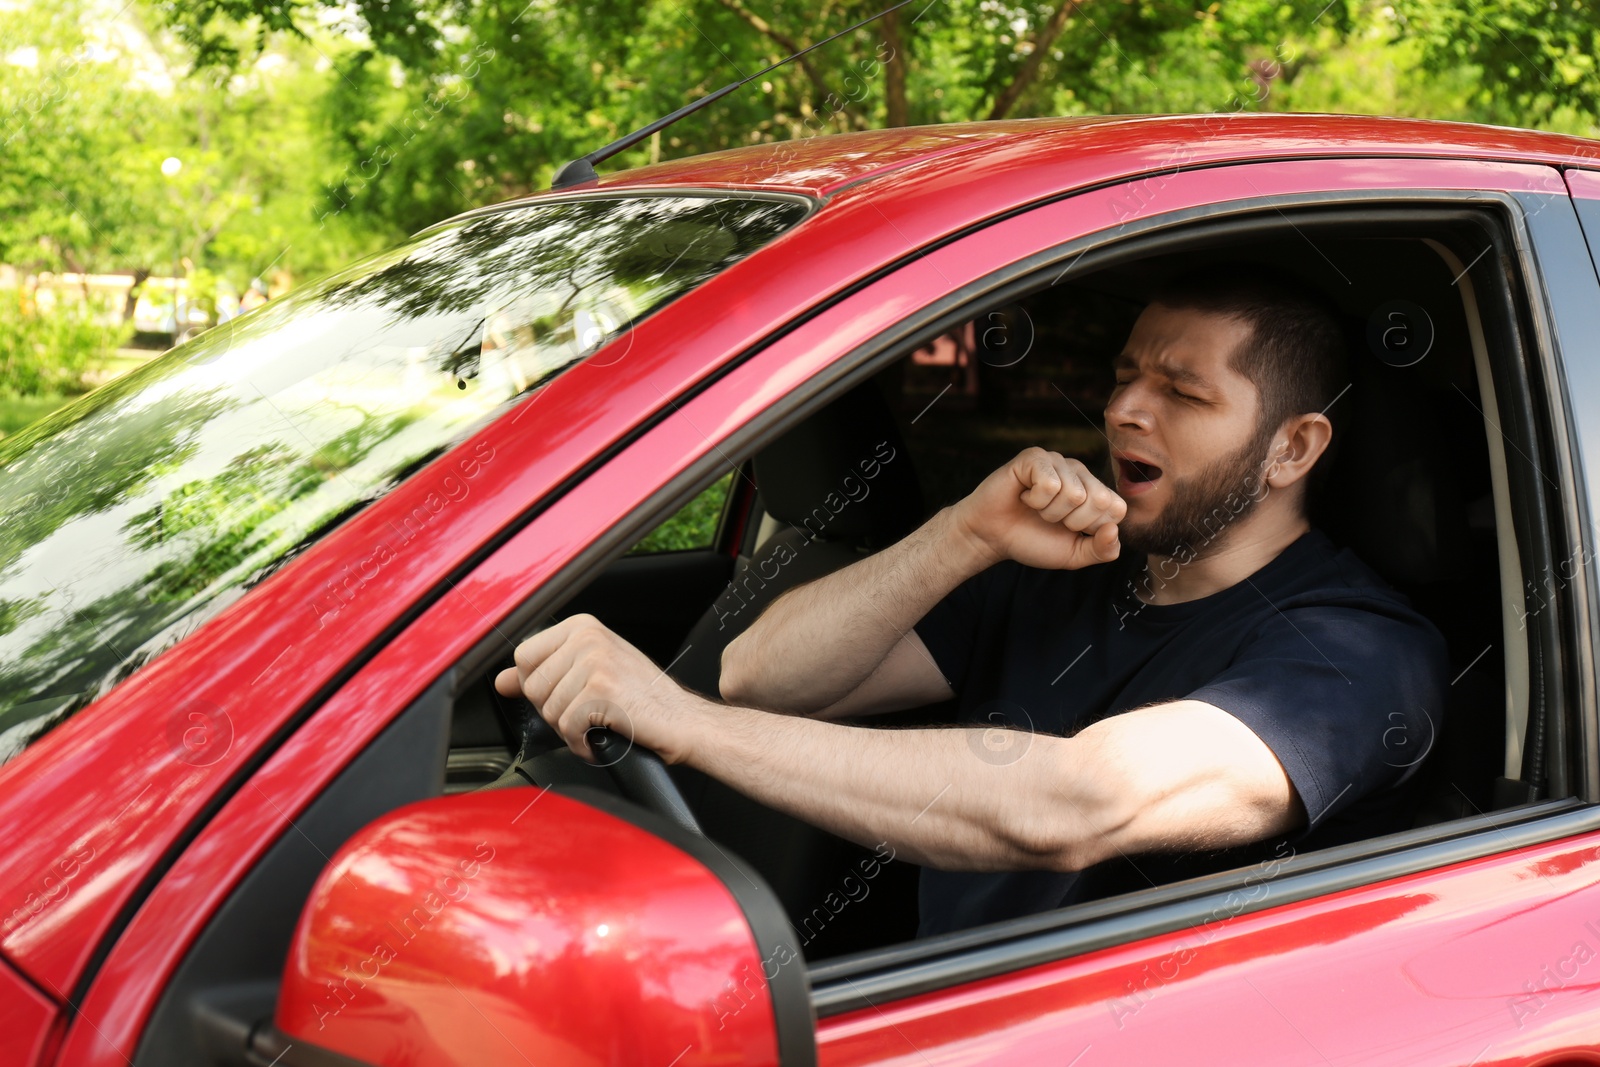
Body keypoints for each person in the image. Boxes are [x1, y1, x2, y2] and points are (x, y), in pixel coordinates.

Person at [494, 271, 1449, 937]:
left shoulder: (1358, 658)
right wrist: (965, 534)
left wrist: (678, 720)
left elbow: (1075, 803)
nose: (1125, 410)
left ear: (1293, 449)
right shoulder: (1063, 567)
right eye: (1125, 375)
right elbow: (760, 676)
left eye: (1182, 392)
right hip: (939, 1007)